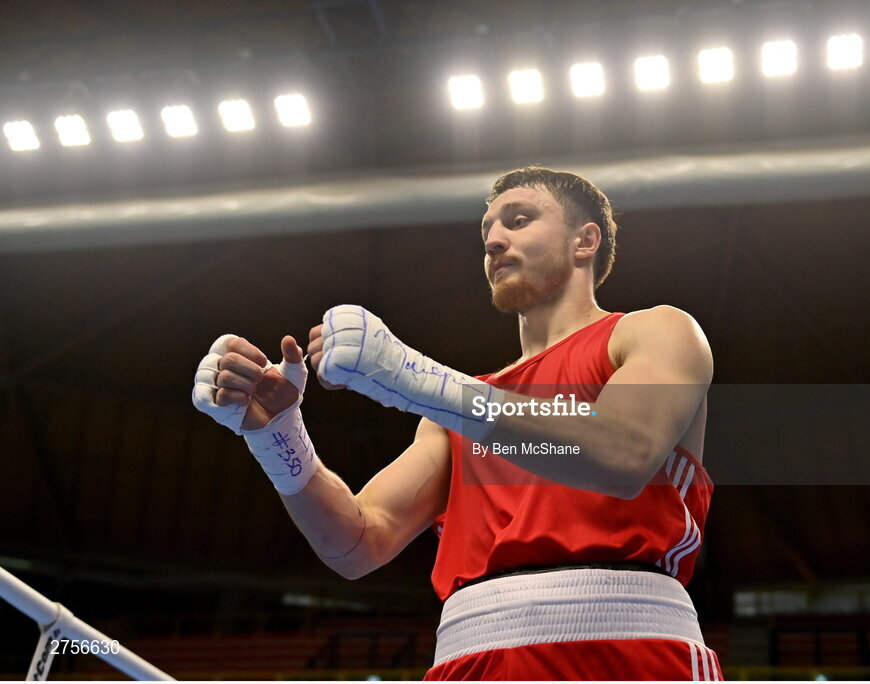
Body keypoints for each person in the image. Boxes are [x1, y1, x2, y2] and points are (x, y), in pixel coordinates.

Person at [192, 167, 720, 680]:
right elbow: (357, 543)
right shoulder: (452, 415)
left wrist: (412, 378)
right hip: (466, 660)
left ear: (585, 241)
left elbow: (623, 454)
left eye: (518, 220)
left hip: (624, 651)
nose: (492, 241)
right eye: (486, 231)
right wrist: (276, 434)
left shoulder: (655, 332)